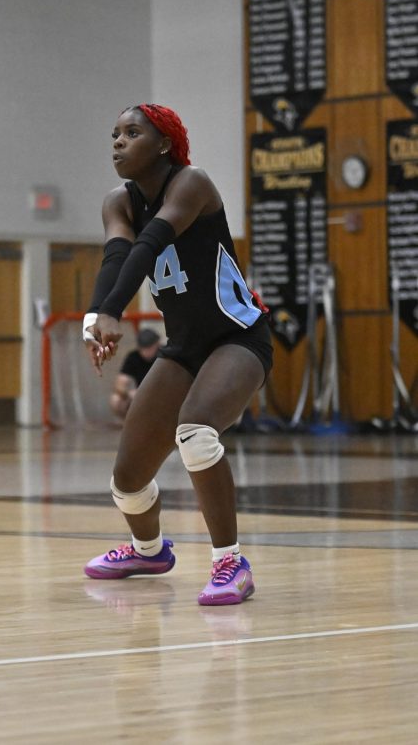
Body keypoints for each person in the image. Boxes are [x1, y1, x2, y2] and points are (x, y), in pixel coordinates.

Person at [81, 103, 273, 605]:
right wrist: (94, 315)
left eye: (132, 133)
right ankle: (148, 549)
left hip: (238, 336)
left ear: (164, 143)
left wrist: (114, 311)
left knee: (196, 430)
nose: (118, 142)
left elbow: (151, 242)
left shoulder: (192, 183)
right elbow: (118, 255)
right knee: (127, 478)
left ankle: (231, 562)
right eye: (115, 134)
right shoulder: (116, 202)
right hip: (185, 346)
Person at [110, 328, 161, 420]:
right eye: (143, 348)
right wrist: (129, 393)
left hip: (163, 394)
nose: (146, 352)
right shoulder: (133, 357)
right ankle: (128, 424)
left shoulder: (164, 357)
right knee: (116, 399)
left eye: (150, 348)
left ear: (157, 344)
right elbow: (120, 384)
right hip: (141, 395)